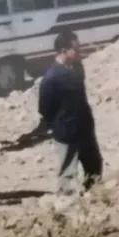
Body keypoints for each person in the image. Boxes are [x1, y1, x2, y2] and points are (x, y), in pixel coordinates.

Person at [39, 31, 102, 194]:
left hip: (84, 127)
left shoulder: (78, 68)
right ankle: (67, 203)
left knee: (94, 166)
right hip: (66, 131)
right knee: (68, 172)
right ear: (63, 51)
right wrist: (57, 125)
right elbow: (45, 108)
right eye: (76, 49)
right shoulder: (51, 78)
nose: (79, 53)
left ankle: (94, 197)